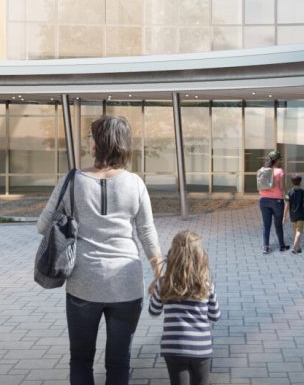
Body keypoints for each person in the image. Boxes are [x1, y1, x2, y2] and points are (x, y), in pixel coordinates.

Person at [36, 114, 164, 385]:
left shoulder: (73, 180)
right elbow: (146, 232)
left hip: (84, 282)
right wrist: (158, 268)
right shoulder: (136, 183)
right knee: (119, 361)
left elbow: (42, 225)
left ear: (100, 143)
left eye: (91, 136)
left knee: (81, 359)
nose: (89, 141)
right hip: (127, 284)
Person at [146, 230, 222, 385]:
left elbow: (153, 311)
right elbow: (215, 316)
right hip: (201, 348)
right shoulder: (206, 285)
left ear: (173, 254)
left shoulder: (164, 283)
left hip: (173, 347)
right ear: (200, 256)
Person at [256, 151, 287, 254]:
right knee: (278, 225)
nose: (280, 161)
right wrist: (286, 197)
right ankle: (282, 246)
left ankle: (266, 247)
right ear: (276, 160)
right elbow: (282, 187)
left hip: (263, 201)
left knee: (266, 225)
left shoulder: (262, 170)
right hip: (277, 201)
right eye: (280, 159)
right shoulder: (279, 171)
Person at [286, 175, 304, 254]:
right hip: (301, 214)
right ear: (300, 183)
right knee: (299, 231)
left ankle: (298, 247)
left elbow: (287, 205)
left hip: (292, 214)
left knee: (295, 231)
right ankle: (294, 246)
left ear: (292, 183)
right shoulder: (303, 192)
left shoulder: (289, 192)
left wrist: (284, 216)